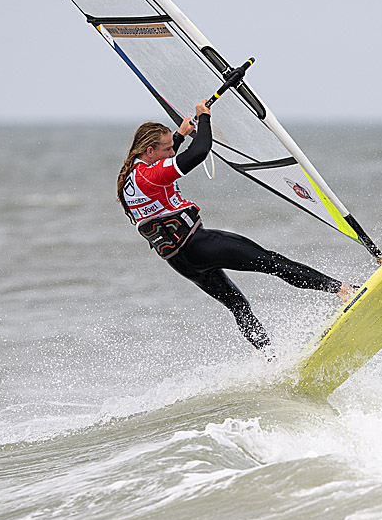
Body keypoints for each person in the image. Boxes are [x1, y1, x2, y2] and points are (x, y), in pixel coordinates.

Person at [116, 100, 356, 351]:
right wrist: (204, 117)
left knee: (238, 306)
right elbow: (199, 153)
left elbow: (166, 158)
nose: (172, 152)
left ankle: (271, 357)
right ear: (150, 151)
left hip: (182, 263)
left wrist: (179, 135)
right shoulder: (153, 175)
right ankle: (342, 290)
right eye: (166, 149)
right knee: (271, 262)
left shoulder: (131, 176)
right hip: (198, 246)